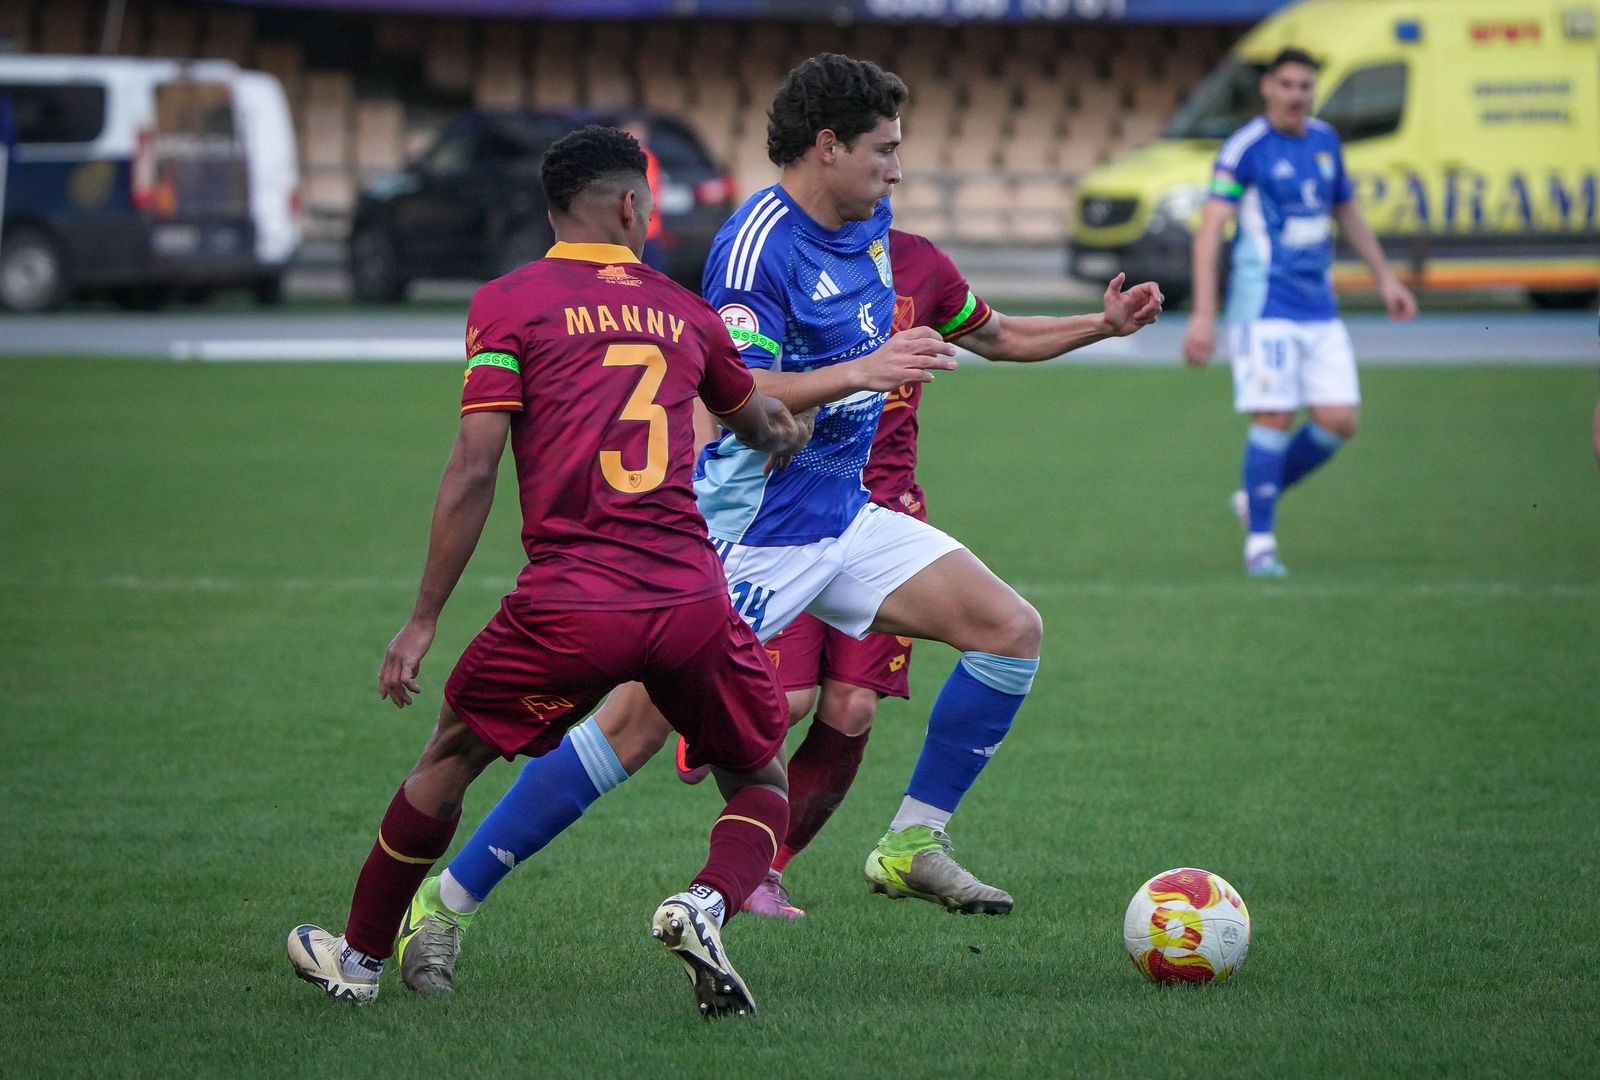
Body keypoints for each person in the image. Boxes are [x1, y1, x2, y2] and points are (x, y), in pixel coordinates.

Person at [389, 53, 1160, 999]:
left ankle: (912, 838)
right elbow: (727, 399)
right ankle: (444, 907)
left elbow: (992, 334)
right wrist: (861, 370)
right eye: (884, 150)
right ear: (826, 147)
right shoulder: (757, 246)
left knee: (1010, 632)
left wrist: (1104, 325)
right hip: (746, 532)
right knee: (626, 736)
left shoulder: (871, 221)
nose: (898, 169)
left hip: (840, 514)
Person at [285, 125, 813, 1018]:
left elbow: (475, 466)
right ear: (630, 205)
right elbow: (758, 420)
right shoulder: (685, 312)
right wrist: (789, 433)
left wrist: (422, 618)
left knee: (451, 755)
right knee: (761, 782)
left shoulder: (509, 302)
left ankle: (362, 959)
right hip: (688, 597)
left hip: (572, 603)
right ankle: (702, 902)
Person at [1181, 46, 1416, 576]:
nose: (1296, 95)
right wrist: (1204, 314)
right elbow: (1211, 230)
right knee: (1276, 414)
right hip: (1263, 306)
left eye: (1305, 86)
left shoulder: (1326, 140)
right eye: (1286, 85)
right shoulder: (1246, 148)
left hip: (1319, 305)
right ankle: (1260, 543)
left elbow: (1346, 209)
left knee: (1339, 420)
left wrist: (1385, 278)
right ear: (1268, 88)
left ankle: (1255, 497)